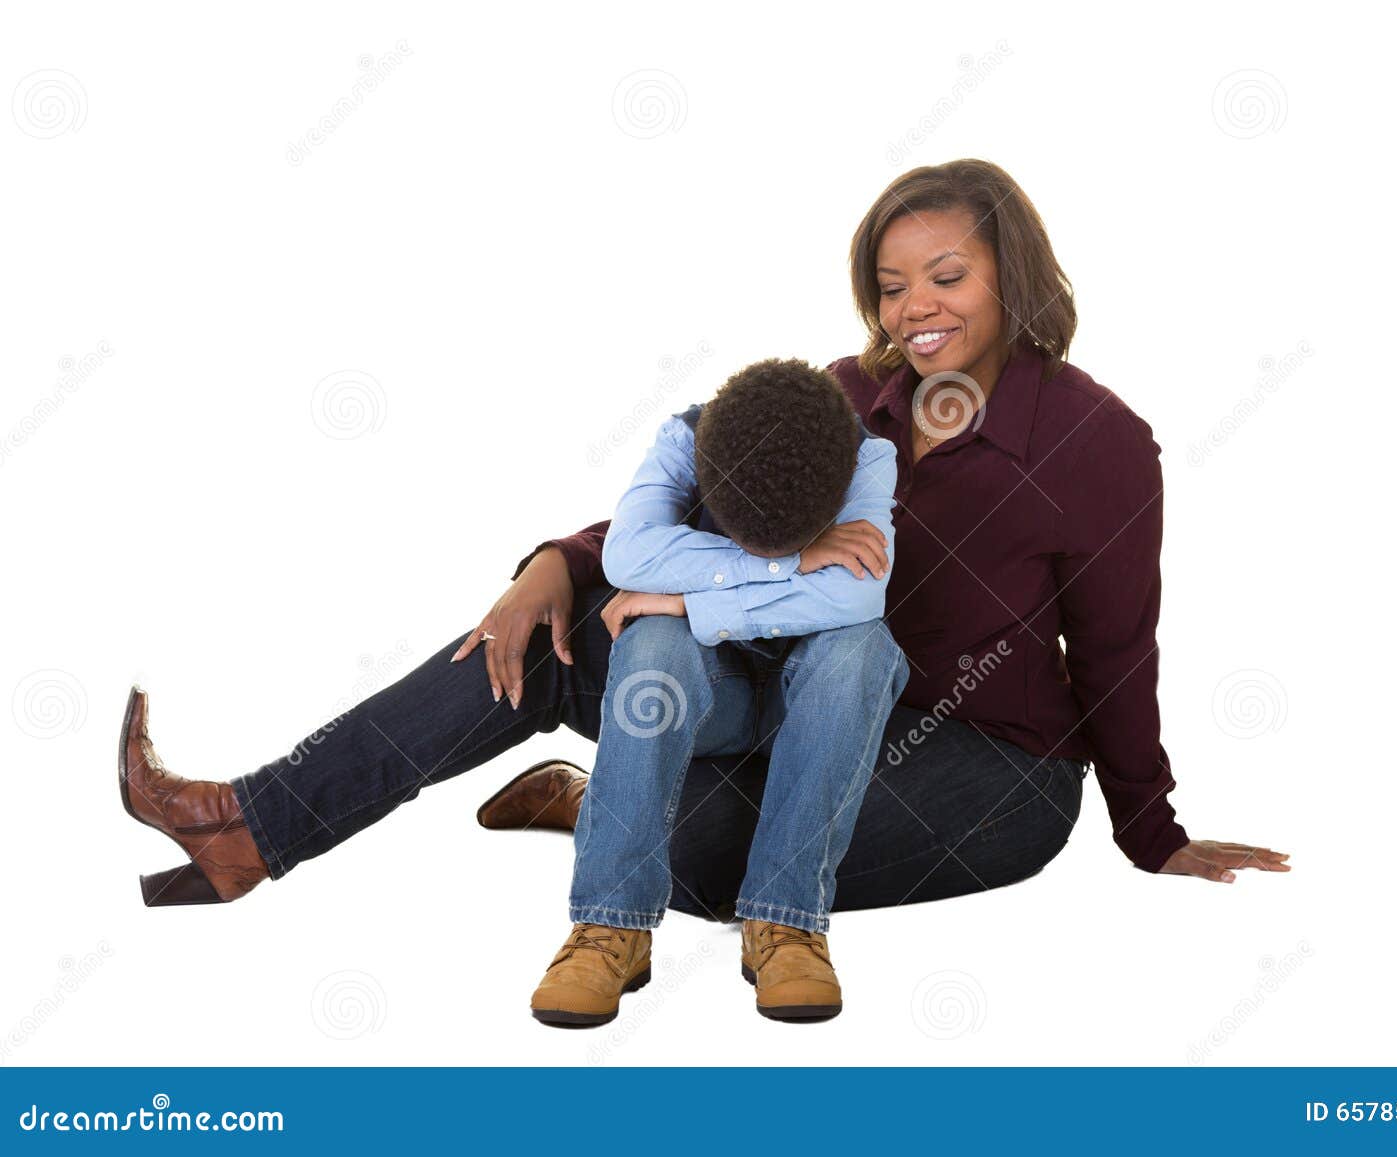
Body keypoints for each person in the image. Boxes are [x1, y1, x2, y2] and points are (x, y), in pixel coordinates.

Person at [118, 158, 1287, 1011]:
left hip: (984, 766)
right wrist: (555, 562)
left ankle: (601, 805)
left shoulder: (1096, 441)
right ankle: (253, 824)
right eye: (890, 286)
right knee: (561, 632)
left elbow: (1119, 650)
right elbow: (695, 504)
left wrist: (1152, 830)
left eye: (946, 276)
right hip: (781, 696)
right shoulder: (842, 395)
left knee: (727, 852)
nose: (914, 309)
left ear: (1009, 272)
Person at [528, 358, 907, 1026]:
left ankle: (785, 919)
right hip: (713, 696)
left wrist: (687, 598)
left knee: (863, 645)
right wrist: (790, 563)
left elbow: (857, 590)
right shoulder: (682, 438)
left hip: (815, 700)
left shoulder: (869, 456)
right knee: (649, 638)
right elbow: (628, 557)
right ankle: (612, 921)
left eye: (790, 541)